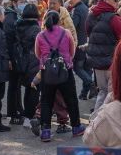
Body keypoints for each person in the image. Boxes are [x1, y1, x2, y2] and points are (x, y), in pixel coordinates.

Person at [33, 10, 85, 142]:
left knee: (46, 101)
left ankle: (45, 131)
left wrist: (47, 62)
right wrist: (66, 61)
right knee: (71, 100)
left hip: (47, 71)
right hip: (65, 70)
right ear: (59, 20)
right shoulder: (66, 33)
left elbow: (38, 54)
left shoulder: (40, 35)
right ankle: (76, 127)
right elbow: (72, 51)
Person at [85, 0, 121, 111]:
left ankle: (95, 121)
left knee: (102, 92)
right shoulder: (113, 18)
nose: (117, 2)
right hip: (111, 61)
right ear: (107, 0)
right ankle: (102, 123)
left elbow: (88, 33)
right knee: (112, 93)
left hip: (96, 62)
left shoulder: (91, 15)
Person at [8, 3, 43, 127]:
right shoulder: (36, 29)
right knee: (34, 90)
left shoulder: (17, 26)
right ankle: (29, 117)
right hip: (33, 61)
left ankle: (26, 115)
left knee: (27, 89)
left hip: (20, 62)